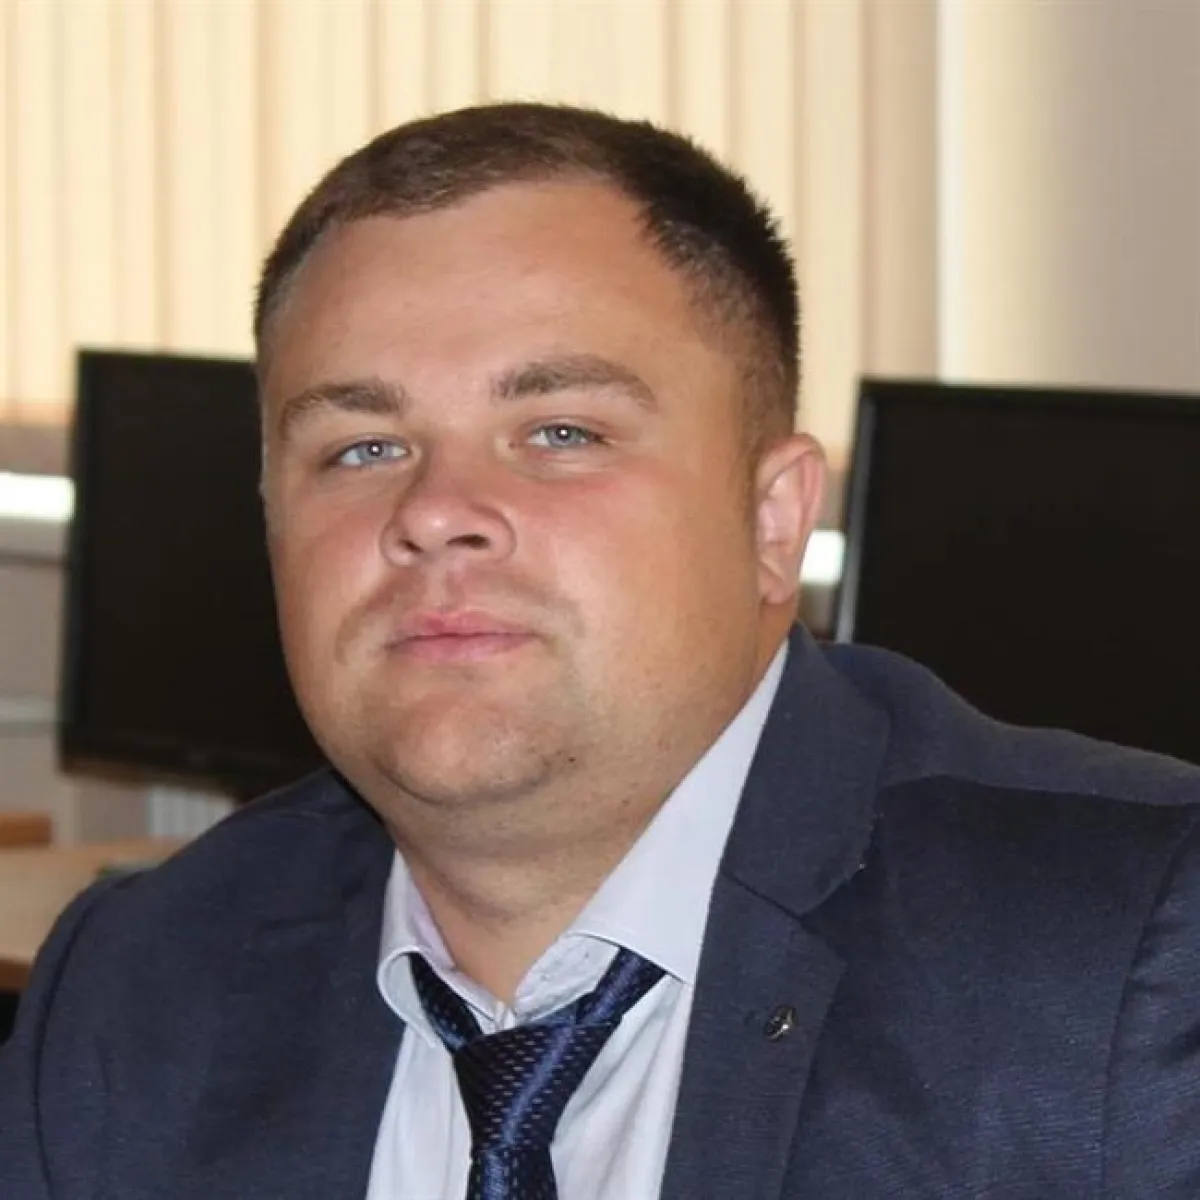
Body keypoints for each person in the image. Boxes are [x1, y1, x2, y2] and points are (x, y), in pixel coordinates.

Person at [3, 102, 1200, 1200]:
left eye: (560, 431)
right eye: (362, 448)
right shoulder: (137, 986)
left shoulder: (1136, 953)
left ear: (772, 522)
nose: (436, 511)